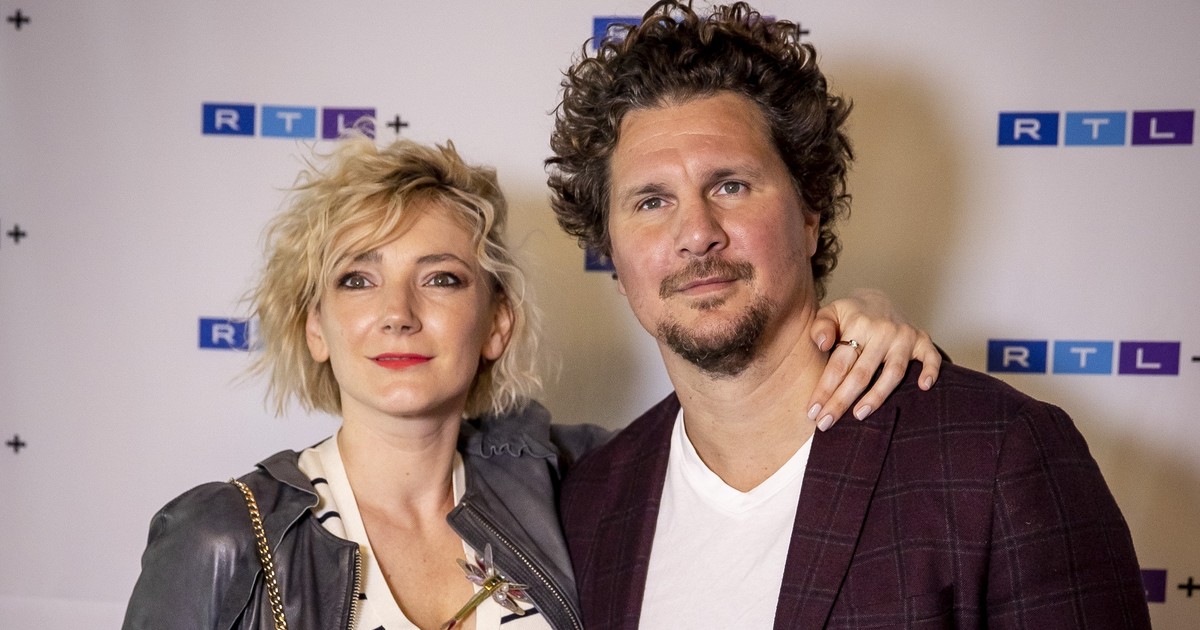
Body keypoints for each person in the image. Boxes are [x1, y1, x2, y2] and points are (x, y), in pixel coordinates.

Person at [123, 134, 940, 630]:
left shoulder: (568, 481)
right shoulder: (221, 537)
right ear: (315, 327)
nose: (398, 314)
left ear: (497, 325)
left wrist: (852, 320)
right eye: (358, 281)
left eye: (441, 279)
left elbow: (746, 426)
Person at [547, 2, 1152, 629]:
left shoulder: (998, 455)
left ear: (809, 215)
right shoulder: (592, 504)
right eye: (651, 201)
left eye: (731, 186)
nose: (697, 233)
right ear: (611, 250)